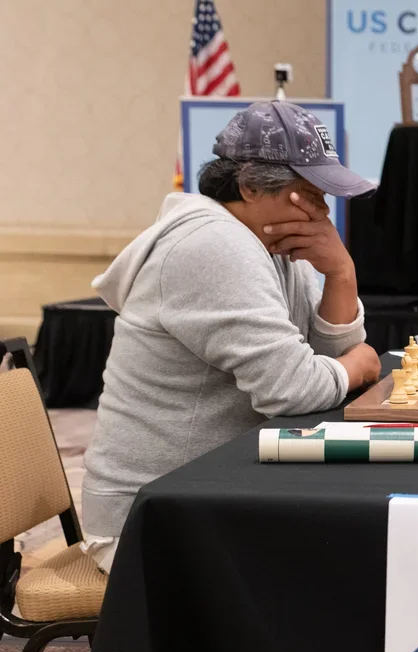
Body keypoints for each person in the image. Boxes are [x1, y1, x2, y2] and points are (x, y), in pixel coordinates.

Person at [80, 101, 382, 573]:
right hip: (152, 517)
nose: (323, 212)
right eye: (309, 193)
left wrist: (342, 273)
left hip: (209, 491)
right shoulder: (215, 246)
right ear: (249, 187)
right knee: (351, 561)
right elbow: (296, 390)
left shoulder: (274, 242)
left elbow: (327, 363)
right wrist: (356, 367)